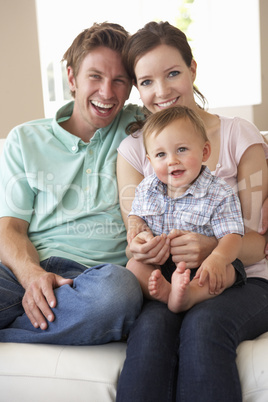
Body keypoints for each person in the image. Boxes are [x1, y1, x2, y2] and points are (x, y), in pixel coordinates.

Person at [116, 21, 268, 401]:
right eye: (147, 81)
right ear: (137, 88)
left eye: (172, 74)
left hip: (244, 277)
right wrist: (143, 245)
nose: (162, 91)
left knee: (204, 327)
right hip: (168, 278)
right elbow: (134, 234)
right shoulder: (134, 151)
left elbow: (257, 244)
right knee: (149, 334)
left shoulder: (239, 136)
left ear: (192, 70)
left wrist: (209, 249)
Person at [0, 22, 144, 344]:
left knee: (121, 293)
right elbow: (9, 230)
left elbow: (199, 132)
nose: (107, 92)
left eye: (119, 80)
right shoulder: (24, 139)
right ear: (71, 78)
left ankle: (13, 330)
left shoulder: (140, 126)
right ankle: (55, 318)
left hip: (98, 278)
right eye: (95, 76)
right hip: (28, 269)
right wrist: (32, 276)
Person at [126, 106, 245, 313]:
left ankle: (190, 295)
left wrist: (218, 257)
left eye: (181, 149)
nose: (172, 160)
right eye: (161, 154)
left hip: (205, 264)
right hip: (161, 266)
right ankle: (169, 294)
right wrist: (137, 229)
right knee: (133, 266)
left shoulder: (220, 193)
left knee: (228, 271)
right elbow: (137, 216)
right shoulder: (147, 188)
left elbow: (232, 236)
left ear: (204, 151)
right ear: (150, 161)